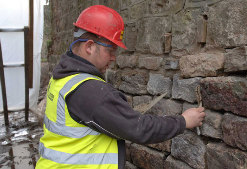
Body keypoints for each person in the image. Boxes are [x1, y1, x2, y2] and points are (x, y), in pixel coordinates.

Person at [35, 5, 205, 169]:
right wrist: (183, 121)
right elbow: (139, 129)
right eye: (111, 50)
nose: (114, 58)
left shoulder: (63, 76)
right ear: (89, 47)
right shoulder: (89, 90)